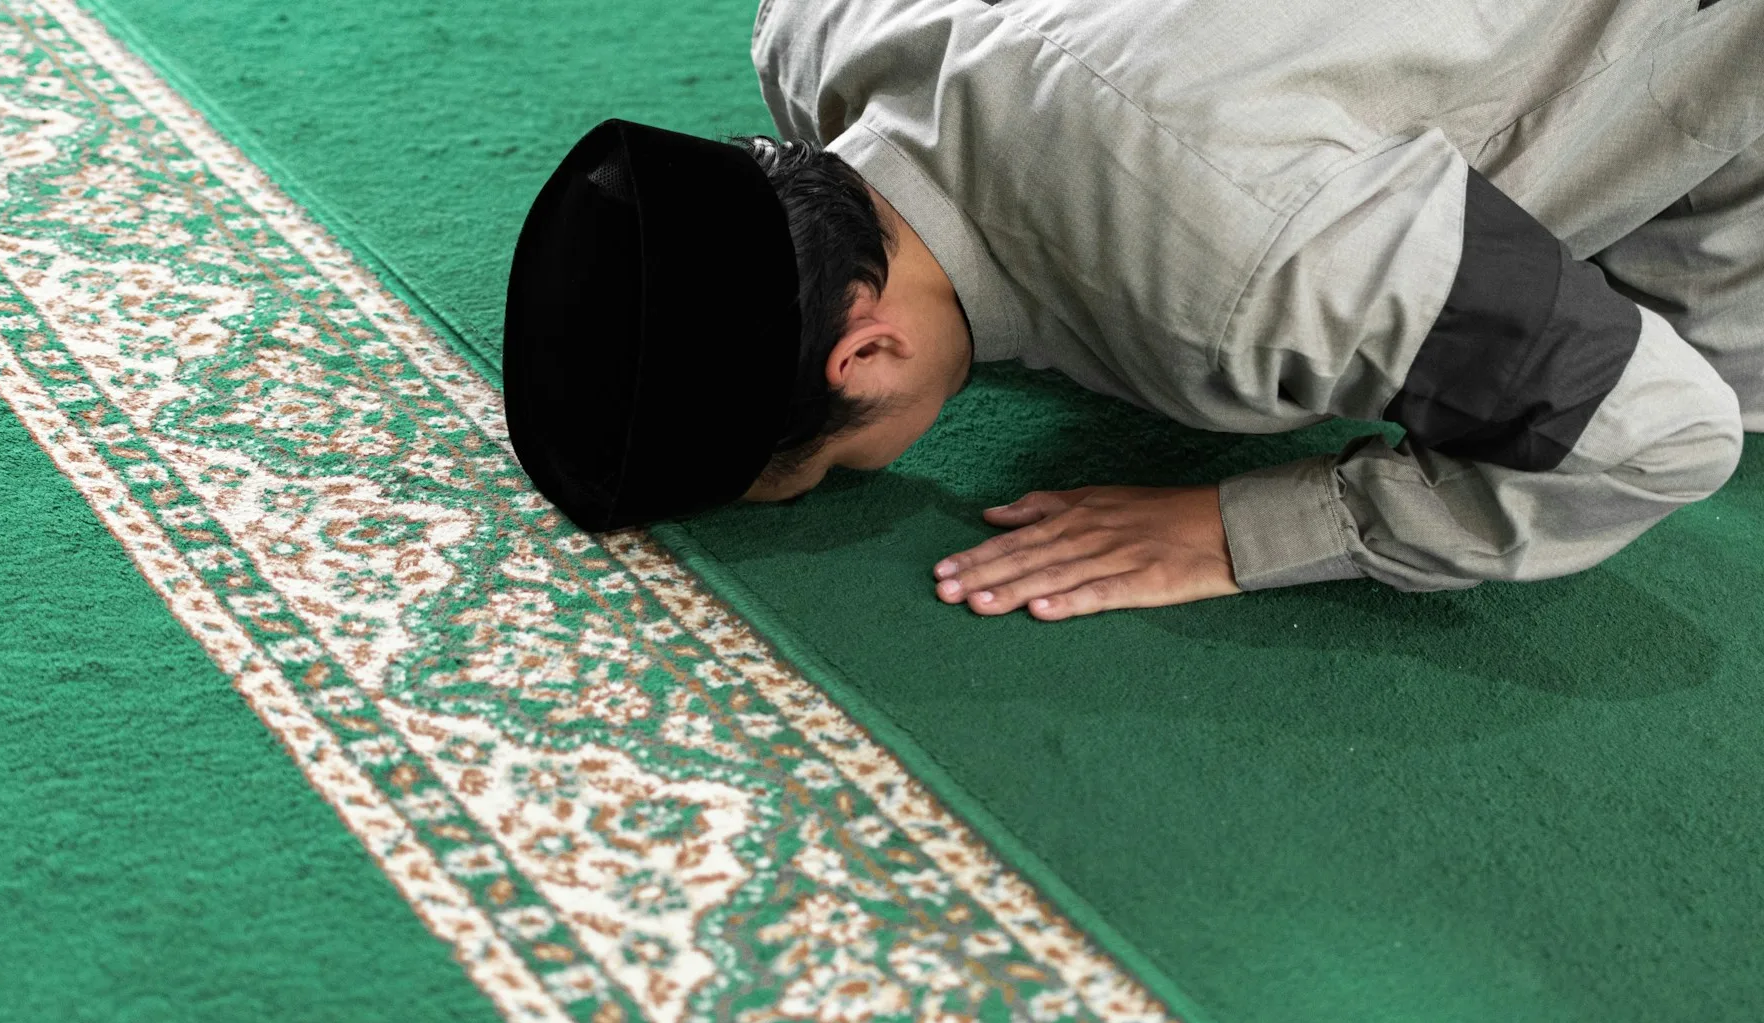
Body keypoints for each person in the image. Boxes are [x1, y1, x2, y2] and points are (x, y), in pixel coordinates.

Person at [502, 0, 1761, 621]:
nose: (853, 479)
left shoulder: (1254, 273)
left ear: (867, 349)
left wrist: (1255, 525)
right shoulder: (815, 28)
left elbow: (1662, 435)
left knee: (1728, 368)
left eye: (828, 470)